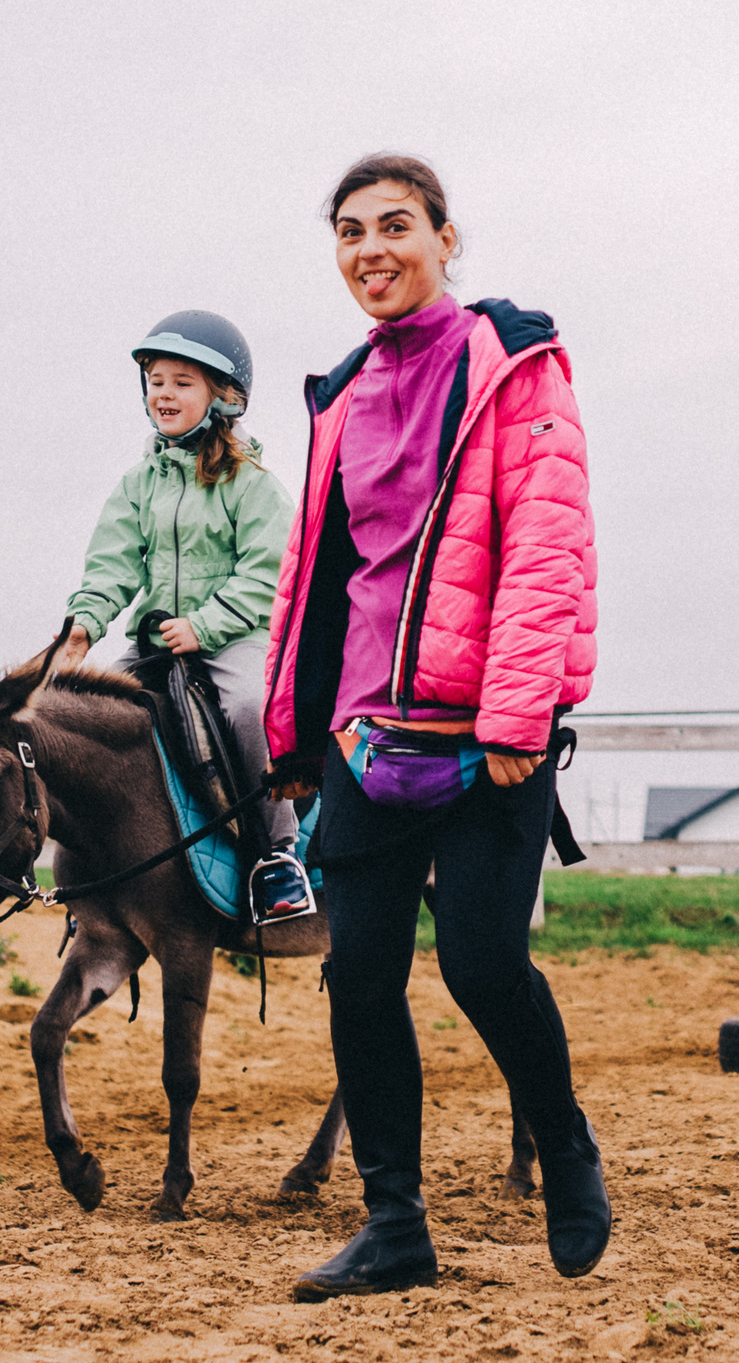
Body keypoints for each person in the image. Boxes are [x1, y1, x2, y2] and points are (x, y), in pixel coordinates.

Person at [263, 153, 609, 1298]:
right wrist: (295, 734)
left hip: (485, 735)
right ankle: (394, 1224)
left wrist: (518, 714)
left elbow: (546, 544)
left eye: (396, 225)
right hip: (367, 736)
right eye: (351, 232)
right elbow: (318, 573)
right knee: (358, 976)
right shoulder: (340, 393)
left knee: (480, 961)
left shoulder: (513, 369)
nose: (373, 250)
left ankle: (562, 1143)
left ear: (446, 239)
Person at [58, 310, 313, 923]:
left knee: (252, 710)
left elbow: (268, 573)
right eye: (155, 381)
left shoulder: (253, 485)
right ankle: (95, 860)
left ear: (222, 397)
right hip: (156, 642)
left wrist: (206, 625)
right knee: (82, 717)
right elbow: (111, 565)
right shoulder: (138, 484)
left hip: (237, 639)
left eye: (182, 382)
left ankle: (277, 857)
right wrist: (83, 628)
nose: (164, 394)